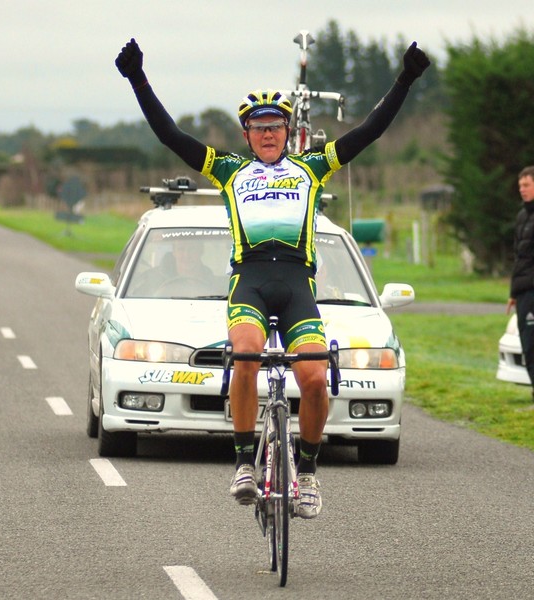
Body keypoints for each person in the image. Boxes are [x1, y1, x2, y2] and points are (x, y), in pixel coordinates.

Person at [115, 37, 430, 518]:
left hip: (298, 287)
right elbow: (170, 135)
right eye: (258, 127)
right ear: (246, 134)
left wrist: (404, 79)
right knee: (244, 355)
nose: (268, 134)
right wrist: (138, 79)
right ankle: (244, 463)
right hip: (250, 283)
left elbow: (370, 131)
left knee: (315, 378)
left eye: (276, 126)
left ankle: (306, 473)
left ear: (288, 132)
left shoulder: (312, 167)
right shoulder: (228, 171)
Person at [507, 166, 534, 394]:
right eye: (520, 186)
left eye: (526, 185)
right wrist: (513, 294)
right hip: (523, 292)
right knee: (528, 346)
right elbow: (519, 257)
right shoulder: (522, 216)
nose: (522, 190)